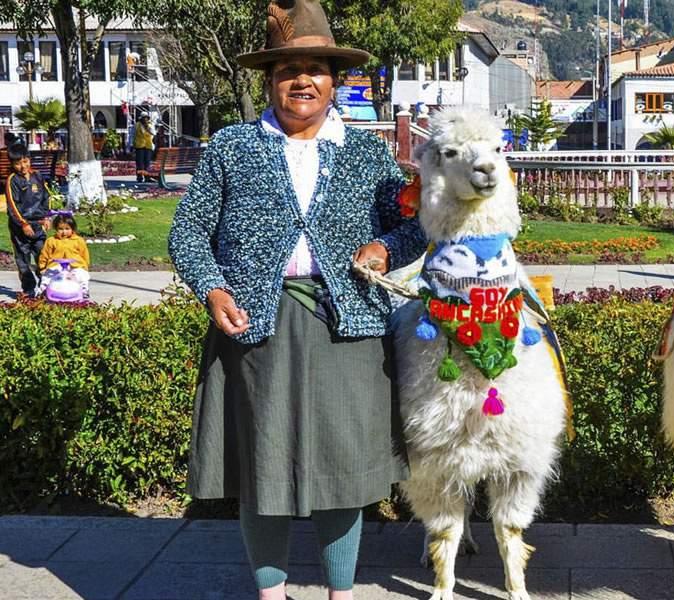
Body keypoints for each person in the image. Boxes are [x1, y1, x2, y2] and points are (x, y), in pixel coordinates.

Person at [168, 1, 426, 598]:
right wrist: (213, 288)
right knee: (264, 470)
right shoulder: (232, 147)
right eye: (288, 70)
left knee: (344, 471)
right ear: (270, 81)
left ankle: (342, 593)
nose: (302, 81)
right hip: (256, 328)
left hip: (350, 328)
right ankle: (271, 594)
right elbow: (188, 231)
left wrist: (385, 247)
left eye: (315, 69)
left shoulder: (367, 154)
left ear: (335, 82)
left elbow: (413, 225)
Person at [5, 143, 49, 299]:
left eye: (25, 161)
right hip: (20, 228)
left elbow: (46, 197)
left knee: (43, 256)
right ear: (12, 164)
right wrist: (23, 223)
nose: (23, 166)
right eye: (18, 163)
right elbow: (12, 206)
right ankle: (28, 290)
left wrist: (46, 216)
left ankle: (45, 287)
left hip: (38, 225)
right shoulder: (12, 180)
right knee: (23, 260)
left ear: (29, 160)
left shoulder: (37, 176)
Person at [37, 213, 91, 299]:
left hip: (75, 265)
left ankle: (84, 291)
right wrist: (43, 267)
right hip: (56, 265)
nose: (64, 232)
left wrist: (85, 266)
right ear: (56, 229)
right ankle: (43, 290)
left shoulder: (78, 240)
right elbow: (45, 254)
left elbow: (84, 254)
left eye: (67, 229)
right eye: (60, 229)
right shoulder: (51, 241)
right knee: (48, 275)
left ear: (72, 229)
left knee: (81, 275)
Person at [134, 115, 154, 183]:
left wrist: (148, 128)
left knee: (147, 163)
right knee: (139, 163)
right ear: (141, 118)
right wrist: (131, 145)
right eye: (144, 118)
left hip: (148, 146)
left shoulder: (150, 125)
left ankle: (147, 177)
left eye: (146, 118)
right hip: (139, 146)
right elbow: (132, 134)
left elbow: (153, 133)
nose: (145, 119)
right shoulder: (137, 125)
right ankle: (139, 177)